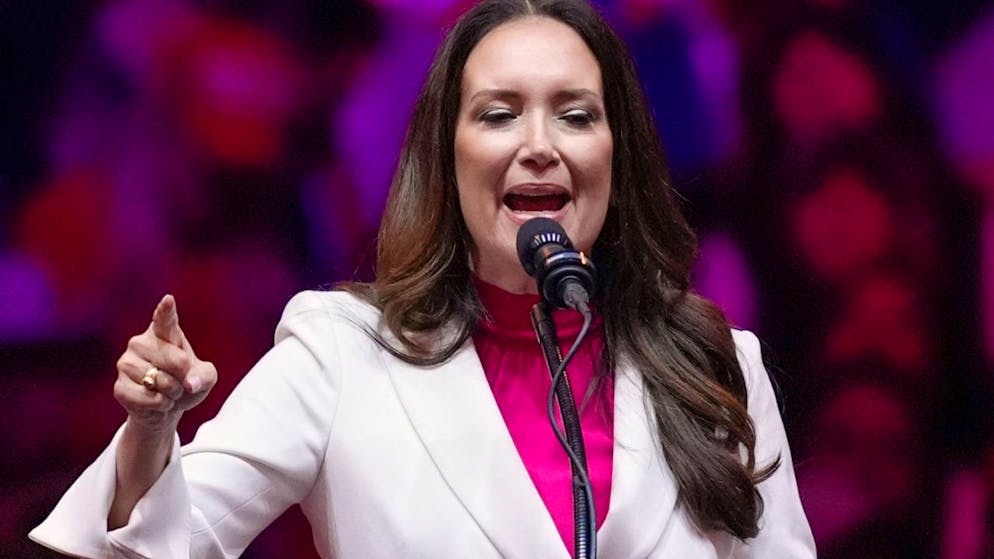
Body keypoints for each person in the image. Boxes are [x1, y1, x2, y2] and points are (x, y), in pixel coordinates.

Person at [30, 0, 815, 557]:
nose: (539, 144)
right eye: (499, 113)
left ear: (620, 154)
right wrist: (151, 432)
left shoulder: (718, 365)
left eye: (575, 115)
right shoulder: (341, 355)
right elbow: (154, 545)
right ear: (447, 157)